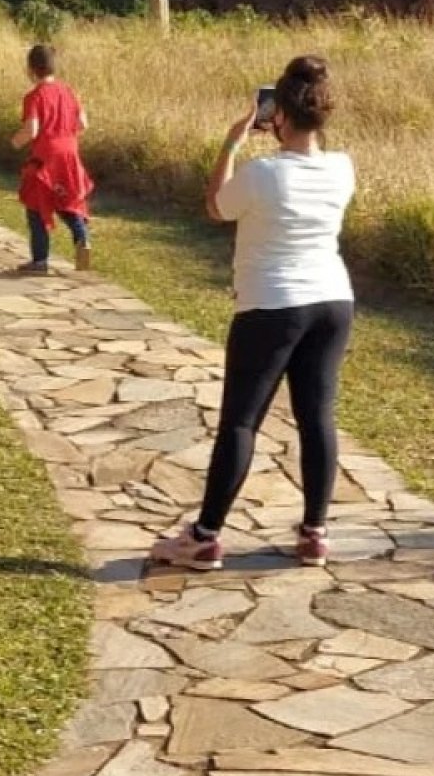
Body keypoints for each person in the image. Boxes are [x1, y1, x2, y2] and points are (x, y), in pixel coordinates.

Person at [149, 56, 354, 571]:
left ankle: (204, 536)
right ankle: (314, 534)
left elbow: (216, 206)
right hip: (332, 301)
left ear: (278, 114)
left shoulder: (262, 173)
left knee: (241, 422)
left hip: (271, 304)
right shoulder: (342, 168)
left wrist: (232, 142)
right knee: (317, 417)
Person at [10, 43, 93, 276]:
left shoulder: (34, 96)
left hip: (45, 156)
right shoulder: (69, 92)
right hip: (70, 153)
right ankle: (82, 239)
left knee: (36, 206)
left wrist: (15, 142)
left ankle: (40, 261)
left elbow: (32, 129)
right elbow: (83, 124)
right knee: (68, 201)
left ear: (31, 69)